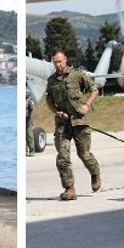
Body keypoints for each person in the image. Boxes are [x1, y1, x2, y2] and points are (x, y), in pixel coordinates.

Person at [44, 49, 100, 201]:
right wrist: (56, 112)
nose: (58, 65)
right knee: (62, 156)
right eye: (55, 62)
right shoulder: (52, 81)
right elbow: (49, 101)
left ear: (65, 60)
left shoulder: (77, 75)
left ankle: (95, 172)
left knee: (84, 154)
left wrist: (87, 105)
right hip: (63, 124)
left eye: (60, 61)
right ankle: (69, 189)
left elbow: (94, 89)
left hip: (79, 121)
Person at [26, 89, 35, 157]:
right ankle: (25, 151)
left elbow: (32, 112)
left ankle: (32, 150)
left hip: (28, 120)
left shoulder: (30, 101)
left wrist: (29, 121)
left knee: (29, 136)